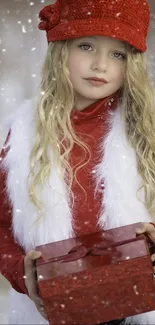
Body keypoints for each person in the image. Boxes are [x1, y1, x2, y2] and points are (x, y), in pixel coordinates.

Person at [1, 0, 155, 323]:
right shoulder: (23, 138)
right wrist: (20, 269)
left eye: (118, 54)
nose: (101, 64)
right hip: (56, 310)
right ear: (61, 51)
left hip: (133, 309)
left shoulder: (145, 132)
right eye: (87, 46)